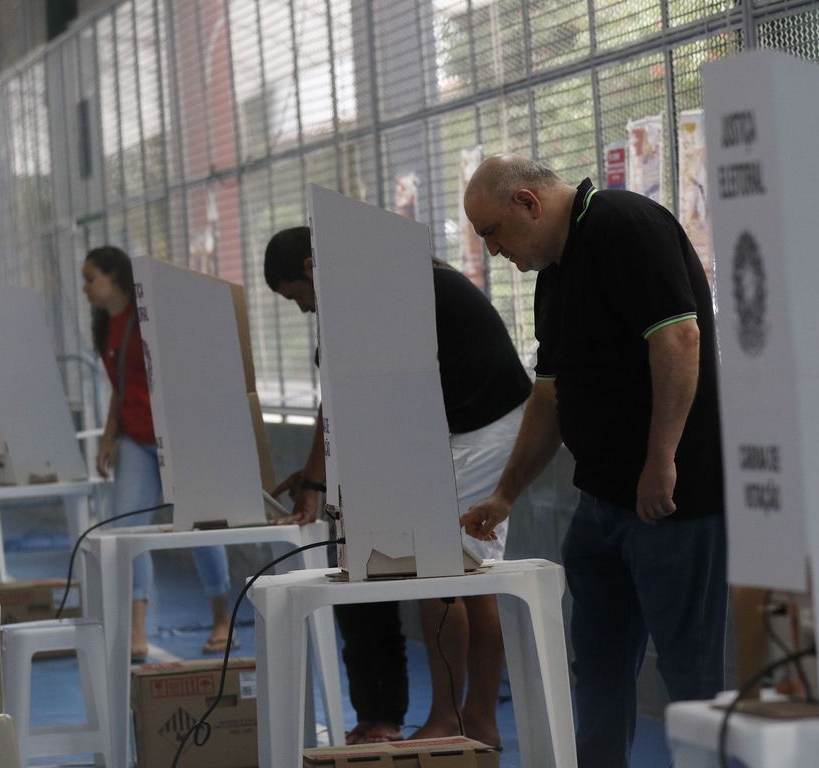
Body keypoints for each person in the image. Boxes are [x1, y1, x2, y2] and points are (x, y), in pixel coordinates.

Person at [459, 155, 728, 768]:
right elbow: (550, 395)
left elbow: (678, 338)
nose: (494, 250)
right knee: (599, 668)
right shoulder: (555, 277)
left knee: (690, 675)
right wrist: (506, 493)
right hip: (602, 502)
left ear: (528, 203)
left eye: (492, 232)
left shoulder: (622, 224)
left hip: (672, 503)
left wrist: (661, 460)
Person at [263, 226, 531, 747]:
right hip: (475, 424)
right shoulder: (392, 280)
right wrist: (323, 471)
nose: (302, 310)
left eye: (297, 296)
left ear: (313, 268)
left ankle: (452, 719)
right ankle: (475, 719)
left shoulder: (367, 292)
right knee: (468, 578)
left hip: (483, 429)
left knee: (438, 572)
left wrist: (316, 482)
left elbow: (337, 402)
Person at [82, 245, 236, 662]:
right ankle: (136, 628)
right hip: (135, 439)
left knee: (199, 526)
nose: (84, 288)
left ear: (115, 277)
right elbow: (118, 389)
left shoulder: (150, 316)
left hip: (177, 438)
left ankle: (222, 616)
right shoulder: (105, 328)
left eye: (90, 278)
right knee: (129, 532)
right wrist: (108, 438)